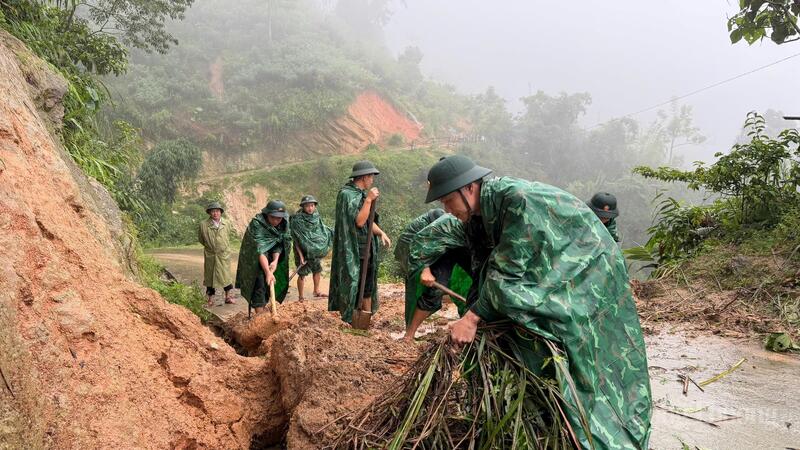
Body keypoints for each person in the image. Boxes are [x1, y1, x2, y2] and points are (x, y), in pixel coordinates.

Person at [424, 155, 652, 450]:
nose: (446, 209)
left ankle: (593, 423)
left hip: (589, 267)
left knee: (573, 338)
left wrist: (471, 319)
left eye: (447, 200)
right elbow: (483, 271)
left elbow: (508, 272)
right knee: (508, 316)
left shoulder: (516, 199)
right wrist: (471, 315)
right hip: (550, 262)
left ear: (469, 189)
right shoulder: (476, 217)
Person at [395, 209, 473, 342]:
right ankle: (409, 335)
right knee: (436, 287)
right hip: (421, 243)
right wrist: (425, 269)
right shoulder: (452, 223)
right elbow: (420, 241)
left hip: (450, 246)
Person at [328, 161, 391, 324]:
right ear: (364, 177)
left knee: (367, 284)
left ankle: (366, 319)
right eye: (371, 177)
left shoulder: (360, 194)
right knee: (355, 283)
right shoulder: (347, 194)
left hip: (367, 247)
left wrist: (381, 232)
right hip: (355, 249)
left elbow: (370, 220)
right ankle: (351, 318)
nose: (372, 181)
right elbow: (360, 222)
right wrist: (369, 200)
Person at [235, 200, 292, 315]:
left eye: (279, 218)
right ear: (267, 214)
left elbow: (279, 244)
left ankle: (266, 310)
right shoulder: (257, 224)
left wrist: (275, 262)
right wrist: (267, 271)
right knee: (259, 284)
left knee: (269, 285)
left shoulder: (283, 224)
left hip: (272, 257)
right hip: (254, 260)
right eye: (273, 217)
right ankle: (259, 317)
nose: (276, 221)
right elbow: (260, 250)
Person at [290, 195, 333, 301]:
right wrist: (301, 256)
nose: (310, 208)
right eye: (307, 206)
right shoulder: (297, 220)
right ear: (303, 207)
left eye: (312, 205)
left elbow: (321, 229)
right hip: (302, 251)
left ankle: (316, 291)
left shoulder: (316, 216)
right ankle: (301, 296)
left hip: (314, 251)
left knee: (317, 270)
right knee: (302, 274)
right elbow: (296, 240)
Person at [198, 201, 234, 306]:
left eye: (217, 211)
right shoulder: (203, 225)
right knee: (210, 277)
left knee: (226, 275)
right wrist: (211, 247)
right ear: (209, 213)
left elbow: (228, 236)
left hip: (224, 254)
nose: (215, 213)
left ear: (220, 212)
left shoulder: (227, 223)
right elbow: (201, 239)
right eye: (213, 211)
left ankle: (228, 297)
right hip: (211, 255)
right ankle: (210, 299)